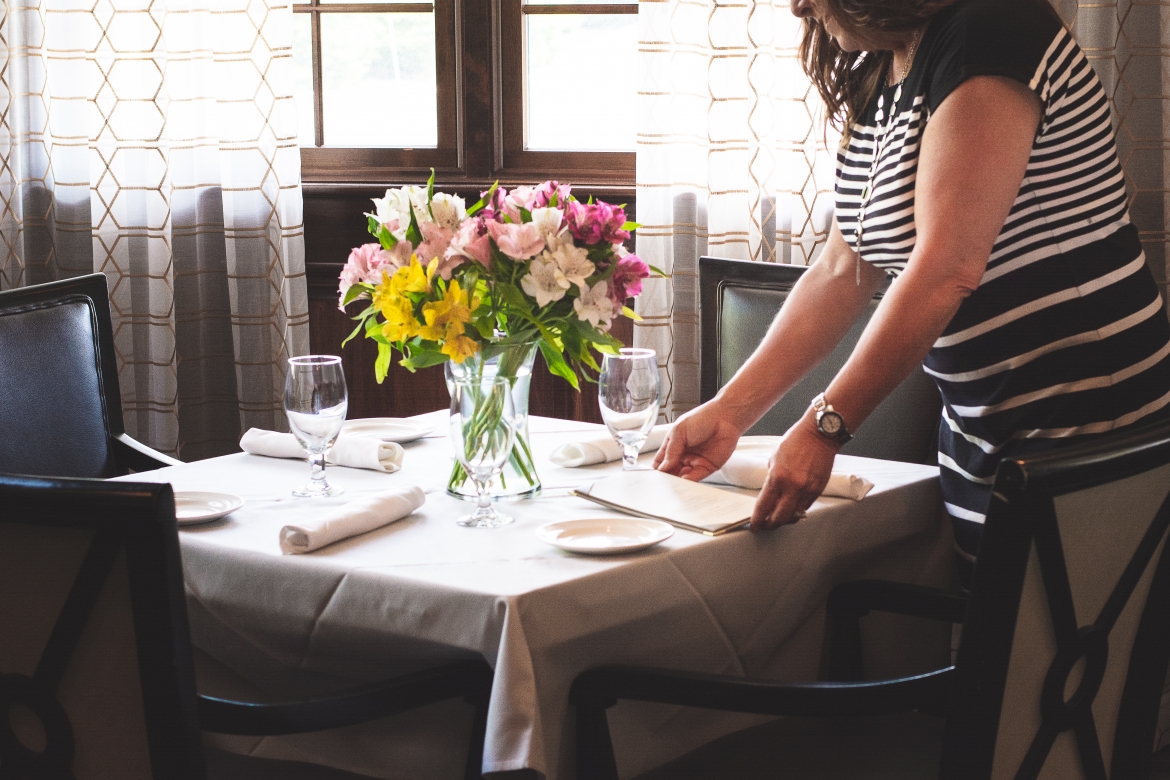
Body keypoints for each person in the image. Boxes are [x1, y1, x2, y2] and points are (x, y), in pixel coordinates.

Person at [654, 0, 1170, 582]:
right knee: (1006, 651)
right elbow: (841, 271)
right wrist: (729, 413)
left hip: (1088, 421)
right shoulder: (890, 68)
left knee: (1062, 658)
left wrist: (825, 427)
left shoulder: (991, 30)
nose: (797, 6)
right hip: (983, 429)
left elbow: (945, 269)